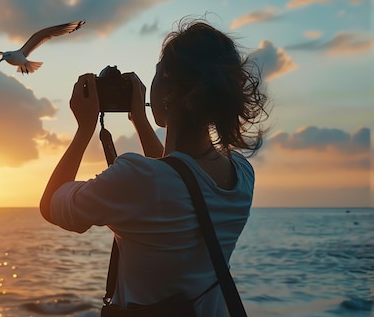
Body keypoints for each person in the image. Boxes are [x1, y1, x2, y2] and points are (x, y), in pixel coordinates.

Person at [39, 18, 268, 316]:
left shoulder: (136, 178)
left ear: (170, 90)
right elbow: (176, 177)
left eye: (158, 74)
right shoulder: (241, 174)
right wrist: (141, 119)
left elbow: (51, 204)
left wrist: (84, 128)